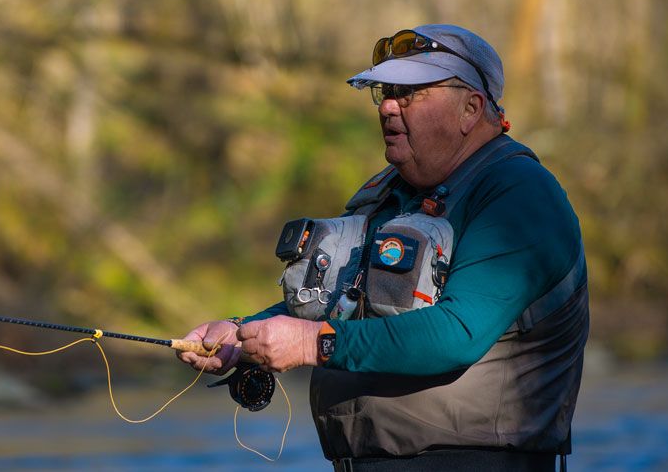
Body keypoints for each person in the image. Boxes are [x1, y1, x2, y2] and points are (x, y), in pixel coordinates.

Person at [177, 24, 589, 472]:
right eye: (385, 92)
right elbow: (345, 303)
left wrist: (312, 344)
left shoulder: (519, 195)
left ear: (471, 108)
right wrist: (243, 333)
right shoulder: (391, 193)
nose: (389, 107)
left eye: (410, 94)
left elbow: (456, 334)